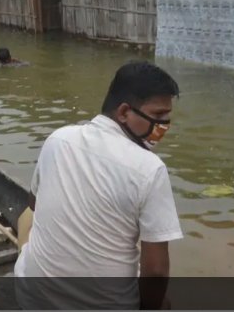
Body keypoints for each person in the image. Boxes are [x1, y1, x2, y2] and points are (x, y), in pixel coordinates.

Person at [14, 61, 182, 310]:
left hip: (31, 298)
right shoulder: (150, 168)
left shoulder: (58, 138)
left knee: (27, 218)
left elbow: (34, 204)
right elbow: (156, 272)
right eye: (158, 116)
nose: (164, 126)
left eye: (167, 118)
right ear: (124, 112)